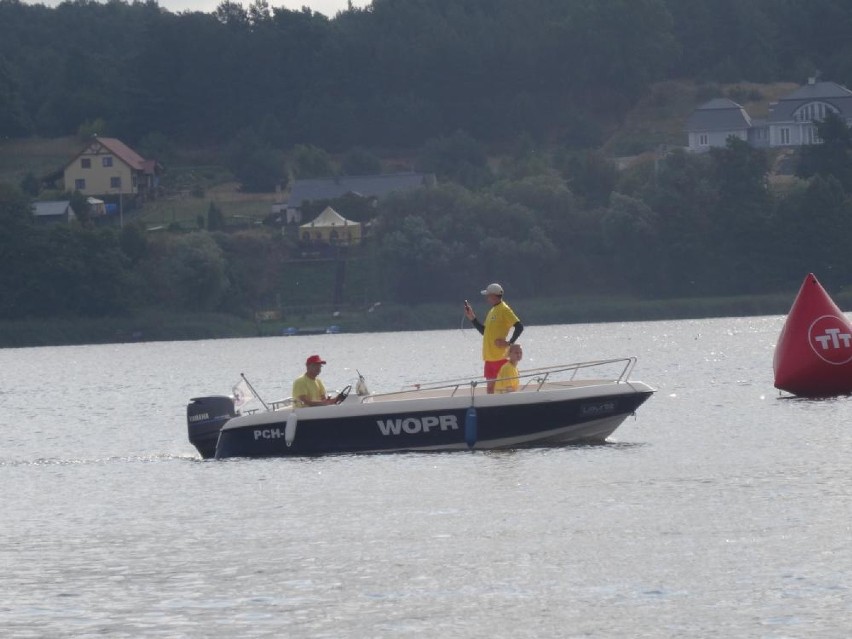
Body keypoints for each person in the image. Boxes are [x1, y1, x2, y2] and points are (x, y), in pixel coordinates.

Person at [463, 282, 524, 393]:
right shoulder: (492, 310)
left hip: (500, 357)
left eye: (488, 295)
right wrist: (472, 318)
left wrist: (509, 343)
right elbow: (485, 332)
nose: (486, 298)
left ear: (493, 296)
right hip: (489, 358)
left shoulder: (504, 309)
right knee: (490, 389)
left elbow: (519, 327)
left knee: (503, 388)